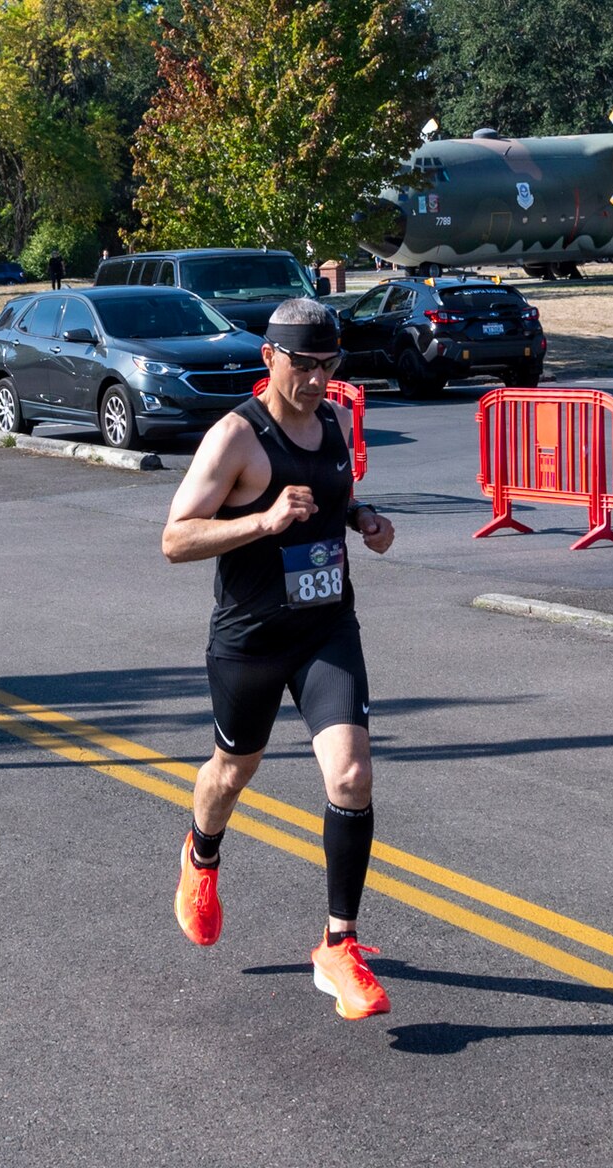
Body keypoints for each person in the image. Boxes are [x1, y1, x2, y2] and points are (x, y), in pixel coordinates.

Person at [160, 298, 399, 1020]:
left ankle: (338, 943)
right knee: (233, 772)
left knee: (352, 773)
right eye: (305, 365)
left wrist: (362, 518)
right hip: (252, 637)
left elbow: (334, 494)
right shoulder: (235, 436)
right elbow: (174, 537)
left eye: (330, 366)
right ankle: (201, 855)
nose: (319, 380)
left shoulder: (330, 419)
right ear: (270, 359)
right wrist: (261, 520)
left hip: (325, 628)